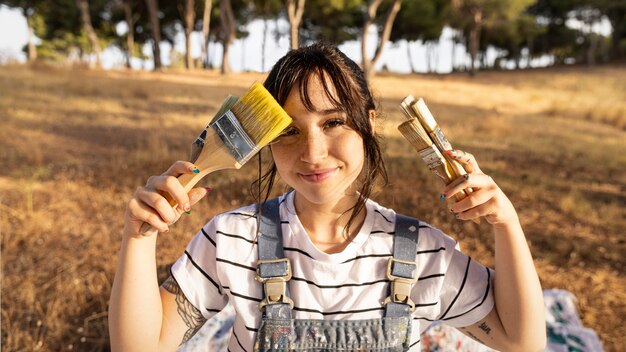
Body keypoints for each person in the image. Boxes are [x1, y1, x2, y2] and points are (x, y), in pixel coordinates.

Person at [109, 42, 546, 352]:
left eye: (334, 121)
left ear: (368, 124)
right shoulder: (231, 241)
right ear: (261, 139)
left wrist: (506, 222)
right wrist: (139, 237)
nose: (313, 151)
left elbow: (523, 341)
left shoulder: (422, 253)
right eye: (289, 131)